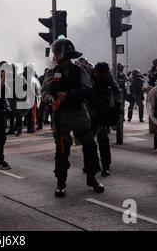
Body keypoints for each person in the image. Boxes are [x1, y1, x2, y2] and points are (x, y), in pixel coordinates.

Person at [41, 36, 104, 198]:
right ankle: (61, 183)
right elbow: (44, 93)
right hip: (61, 116)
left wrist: (69, 95)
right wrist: (52, 100)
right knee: (62, 150)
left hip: (79, 114)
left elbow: (88, 90)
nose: (54, 56)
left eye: (56, 52)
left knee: (90, 147)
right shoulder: (52, 72)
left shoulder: (80, 71)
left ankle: (92, 178)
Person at [88, 62, 122, 176]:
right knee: (88, 140)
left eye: (104, 74)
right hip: (90, 110)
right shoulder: (88, 77)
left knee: (103, 139)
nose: (102, 77)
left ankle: (106, 166)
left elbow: (116, 89)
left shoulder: (108, 77)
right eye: (100, 74)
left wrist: (117, 104)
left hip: (103, 110)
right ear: (95, 72)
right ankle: (89, 164)